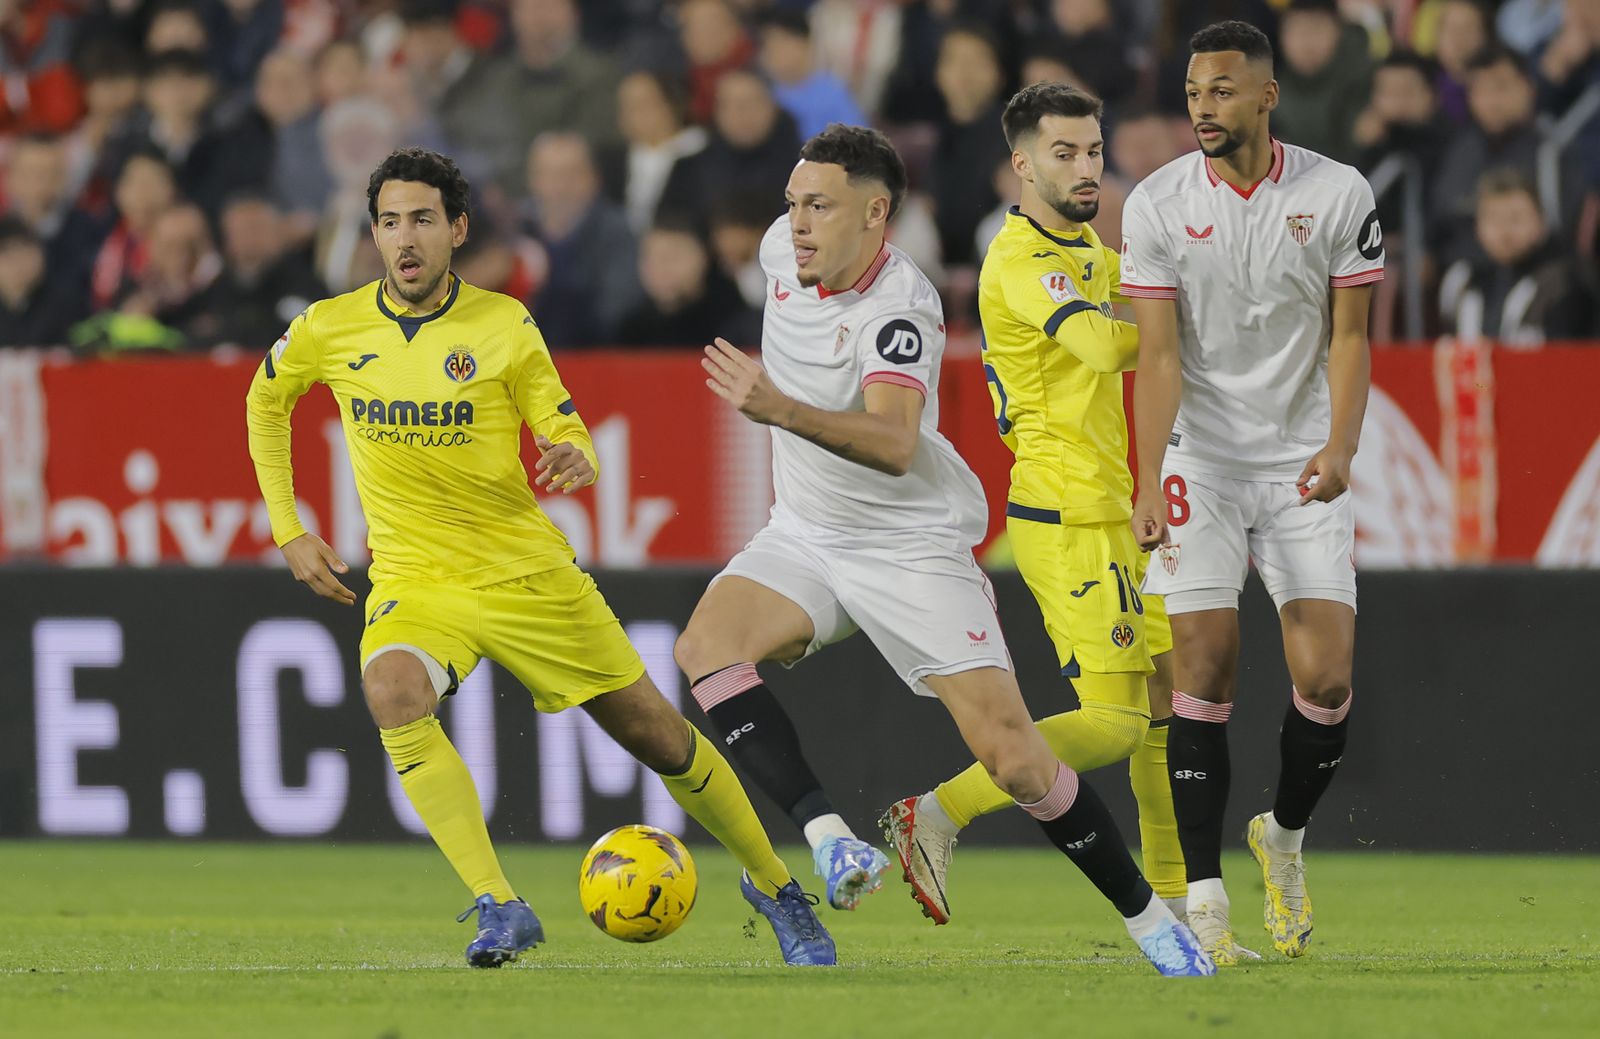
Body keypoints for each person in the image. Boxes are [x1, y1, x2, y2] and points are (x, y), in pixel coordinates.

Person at [244, 147, 836, 968]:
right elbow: (265, 398)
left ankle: (776, 886)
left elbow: (563, 425)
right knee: (392, 688)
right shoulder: (330, 327)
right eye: (388, 222)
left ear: (456, 229)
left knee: (662, 737)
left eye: (421, 219)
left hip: (527, 575)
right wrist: (288, 526)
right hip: (417, 578)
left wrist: (575, 455)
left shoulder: (503, 325)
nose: (404, 239)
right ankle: (500, 904)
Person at [674, 123, 1213, 977]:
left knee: (1015, 753)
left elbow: (891, 443)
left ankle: (1152, 921)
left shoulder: (902, 308)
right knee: (705, 648)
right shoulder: (784, 250)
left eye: (820, 205)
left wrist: (779, 409)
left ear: (875, 214)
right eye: (793, 204)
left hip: (909, 544)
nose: (798, 222)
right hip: (809, 535)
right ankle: (829, 840)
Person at [880, 82, 1187, 932]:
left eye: (1094, 150)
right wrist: (1185, 329)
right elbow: (1099, 341)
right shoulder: (1021, 259)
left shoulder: (1087, 245)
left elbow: (1146, 305)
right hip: (1064, 512)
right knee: (1117, 722)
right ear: (1021, 164)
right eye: (1065, 152)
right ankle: (937, 811)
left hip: (1113, 508)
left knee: (1168, 699)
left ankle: (1184, 903)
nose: (1087, 167)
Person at [1122, 21, 1384, 965]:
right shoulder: (1154, 203)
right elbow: (1155, 355)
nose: (1203, 106)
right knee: (1203, 663)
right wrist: (1148, 474)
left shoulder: (1337, 193)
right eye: (1195, 91)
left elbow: (1350, 337)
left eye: (1224, 90)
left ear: (1268, 96)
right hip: (1201, 458)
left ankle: (1283, 835)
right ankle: (1204, 902)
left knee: (1326, 680)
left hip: (1303, 458)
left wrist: (1342, 444)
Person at [1439, 168, 1595, 343]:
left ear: (1541, 223)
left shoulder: (1564, 284)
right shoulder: (1462, 281)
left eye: (1516, 218)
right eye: (1493, 218)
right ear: (1477, 226)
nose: (1504, 231)